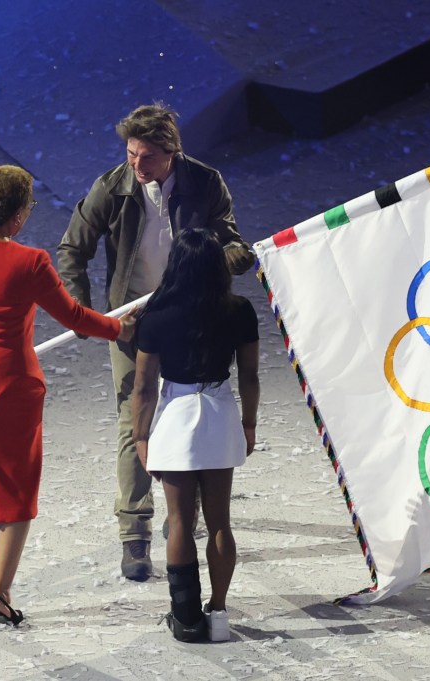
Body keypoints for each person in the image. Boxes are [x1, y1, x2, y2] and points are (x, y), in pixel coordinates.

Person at [56, 101, 255, 581]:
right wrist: (91, 317)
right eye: (130, 153)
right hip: (131, 322)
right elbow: (71, 251)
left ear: (171, 154)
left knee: (193, 414)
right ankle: (135, 533)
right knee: (136, 419)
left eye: (146, 157)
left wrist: (222, 263)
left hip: (191, 316)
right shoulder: (113, 187)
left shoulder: (205, 183)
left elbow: (229, 242)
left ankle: (184, 517)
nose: (136, 165)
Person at [0, 165, 136, 630]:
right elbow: (73, 316)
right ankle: (0, 595)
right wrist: (117, 326)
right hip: (5, 384)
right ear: (20, 215)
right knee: (15, 485)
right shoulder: (29, 262)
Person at [132, 228, 260, 642]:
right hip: (220, 413)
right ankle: (219, 614)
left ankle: (186, 618)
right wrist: (249, 424)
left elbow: (144, 387)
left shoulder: (157, 314)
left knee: (181, 522)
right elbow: (251, 376)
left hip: (176, 416)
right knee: (220, 522)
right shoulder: (239, 310)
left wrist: (140, 437)